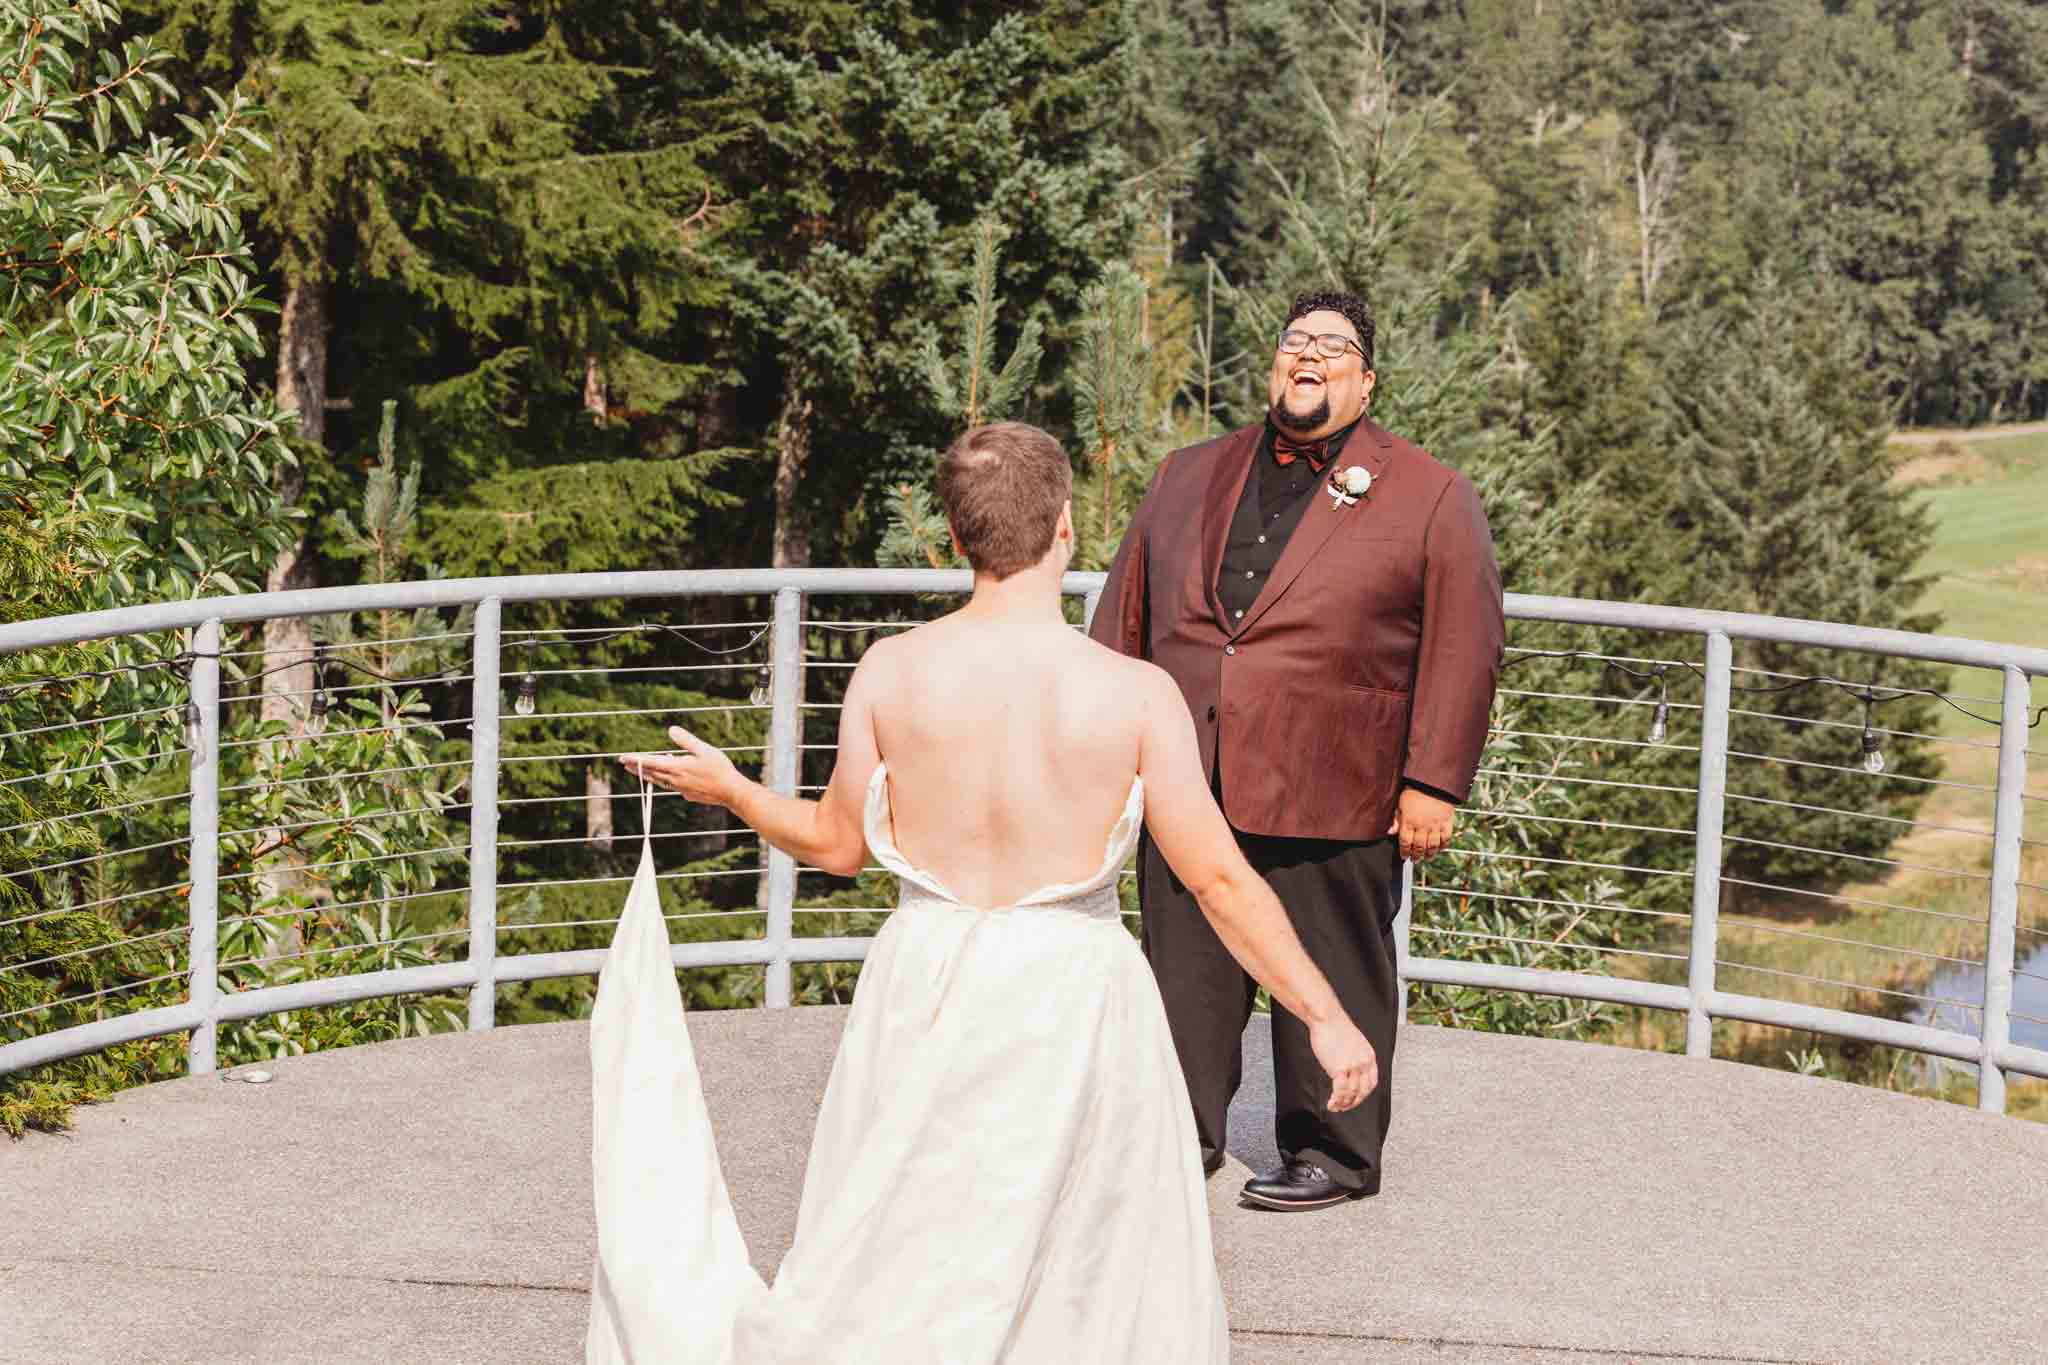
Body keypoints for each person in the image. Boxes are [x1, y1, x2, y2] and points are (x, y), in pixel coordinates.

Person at [586, 421, 1380, 1364]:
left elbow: (836, 846)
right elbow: (1216, 878)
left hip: (923, 981)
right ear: (1066, 526)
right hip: (1074, 994)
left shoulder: (891, 672)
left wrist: (735, 791)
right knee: (1084, 1264)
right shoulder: (1134, 694)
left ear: (958, 536)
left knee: (907, 1244)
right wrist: (1323, 1013)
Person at [1089, 289, 1504, 1211]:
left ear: (1367, 381)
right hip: (1189, 774)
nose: (1309, 353)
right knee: (1183, 972)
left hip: (1335, 780)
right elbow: (1124, 615)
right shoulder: (1185, 474)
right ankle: (1177, 1131)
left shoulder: (1432, 493)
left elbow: (1466, 644)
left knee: (1334, 964)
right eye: (1295, 339)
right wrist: (1101, 746)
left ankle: (1332, 1149)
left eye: (1334, 344)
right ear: (1274, 363)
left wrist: (1433, 782)